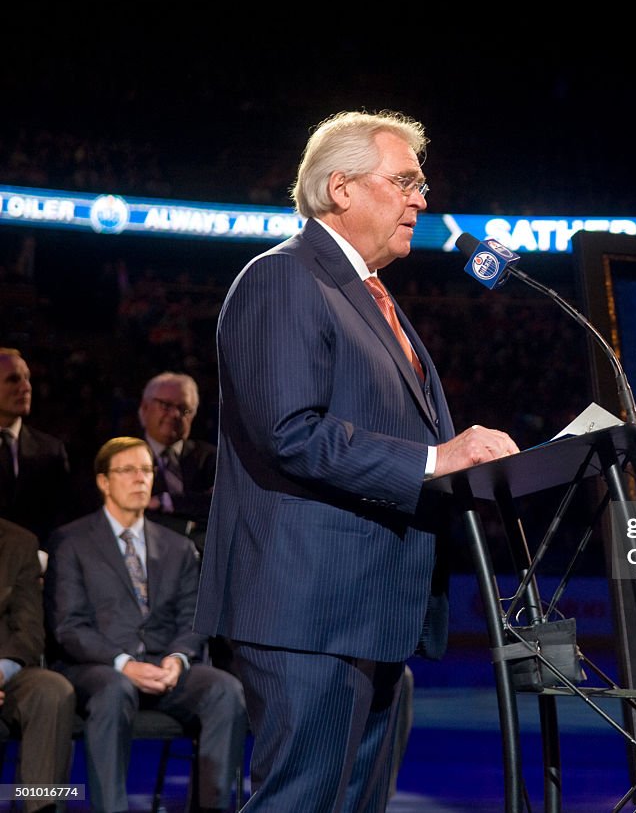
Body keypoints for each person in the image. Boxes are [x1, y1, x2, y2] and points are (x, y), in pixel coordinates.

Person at [194, 109, 519, 812]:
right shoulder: (281, 279)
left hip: (372, 619)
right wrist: (437, 456)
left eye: (422, 183)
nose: (422, 199)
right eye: (404, 180)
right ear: (340, 188)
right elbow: (291, 432)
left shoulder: (376, 299)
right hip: (307, 616)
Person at [44, 437, 247, 813]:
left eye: (147, 470)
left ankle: (212, 808)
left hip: (163, 665)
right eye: (128, 470)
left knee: (225, 690)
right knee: (115, 690)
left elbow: (193, 617)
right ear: (104, 481)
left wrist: (178, 657)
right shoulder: (71, 542)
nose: (140, 479)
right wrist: (124, 662)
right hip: (100, 667)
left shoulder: (178, 547)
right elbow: (68, 626)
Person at [0, 517, 75, 813]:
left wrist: (3, 670)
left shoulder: (19, 541)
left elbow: (29, 630)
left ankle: (41, 804)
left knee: (52, 691)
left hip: (6, 671)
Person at [0, 348, 72, 550]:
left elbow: (61, 517)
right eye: (13, 379)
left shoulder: (51, 451)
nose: (25, 387)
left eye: (27, 379)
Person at [138, 371, 217, 552]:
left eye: (184, 409)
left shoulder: (210, 458)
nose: (175, 414)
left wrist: (165, 502)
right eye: (165, 405)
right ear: (144, 408)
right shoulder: (123, 457)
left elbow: (219, 504)